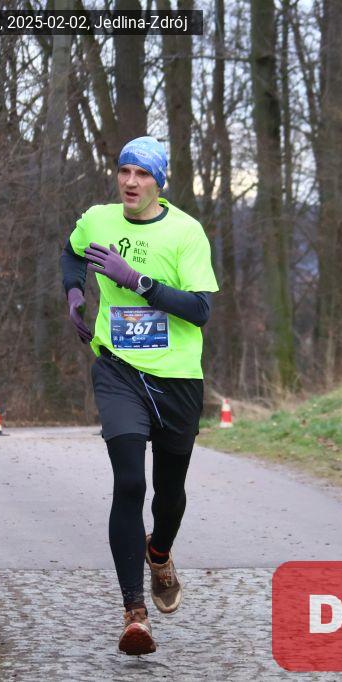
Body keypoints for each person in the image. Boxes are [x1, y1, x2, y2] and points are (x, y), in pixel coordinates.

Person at [59, 136, 218, 655]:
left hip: (177, 379)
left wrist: (140, 282)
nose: (130, 182)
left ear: (159, 183)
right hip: (118, 369)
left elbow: (200, 310)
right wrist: (75, 293)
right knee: (129, 482)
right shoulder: (98, 220)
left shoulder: (185, 232)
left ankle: (160, 551)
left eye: (142, 174)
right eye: (124, 171)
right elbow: (70, 251)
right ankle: (134, 614)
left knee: (169, 494)